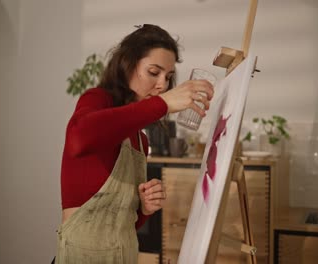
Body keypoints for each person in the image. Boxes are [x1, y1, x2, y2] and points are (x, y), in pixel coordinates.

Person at [55, 24, 214, 264]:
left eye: (168, 77)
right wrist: (163, 104)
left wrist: (144, 209)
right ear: (127, 66)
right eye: (153, 72)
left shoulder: (140, 139)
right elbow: (78, 138)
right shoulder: (98, 99)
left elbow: (121, 222)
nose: (162, 85)